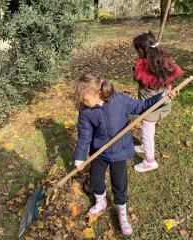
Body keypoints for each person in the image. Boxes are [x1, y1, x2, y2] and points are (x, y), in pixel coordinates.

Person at [73, 73, 177, 235]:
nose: (83, 103)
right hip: (99, 152)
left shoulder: (119, 100)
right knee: (96, 179)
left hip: (119, 152)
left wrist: (162, 96)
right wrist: (79, 157)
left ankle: (122, 213)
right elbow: (85, 135)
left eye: (85, 99)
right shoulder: (86, 111)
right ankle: (101, 202)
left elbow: (141, 106)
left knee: (119, 184)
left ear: (98, 93)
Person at [132, 31, 183, 173]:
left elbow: (137, 77)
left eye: (137, 51)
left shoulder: (141, 67)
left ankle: (150, 161)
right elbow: (170, 80)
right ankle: (143, 147)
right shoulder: (165, 63)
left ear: (141, 50)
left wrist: (138, 65)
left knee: (147, 130)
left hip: (151, 108)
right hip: (165, 103)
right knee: (147, 131)